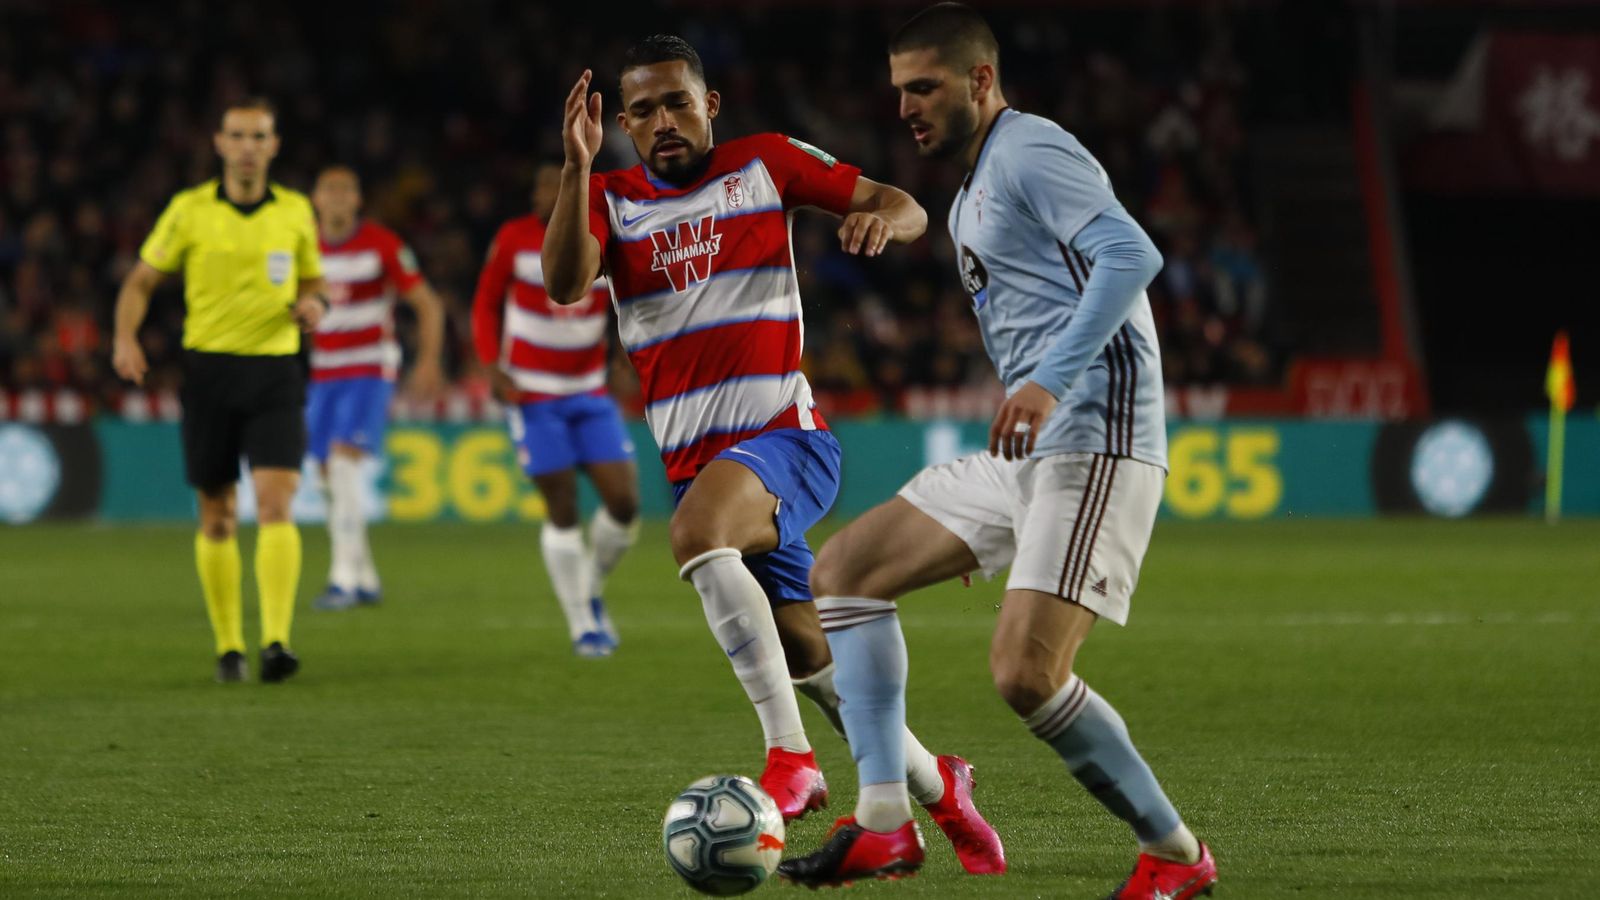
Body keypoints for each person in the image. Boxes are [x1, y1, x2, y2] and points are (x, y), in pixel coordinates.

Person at [778, 6, 1219, 897]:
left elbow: (1131, 255)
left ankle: (1176, 856)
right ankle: (884, 823)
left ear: (981, 81)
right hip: (1029, 459)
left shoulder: (1030, 149)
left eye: (925, 87)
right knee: (844, 574)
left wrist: (1050, 380)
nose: (906, 105)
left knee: (1026, 672)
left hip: (1098, 440)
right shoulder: (971, 189)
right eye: (899, 88)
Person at [541, 35, 1005, 873]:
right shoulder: (609, 199)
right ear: (622, 127)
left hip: (787, 442)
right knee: (817, 666)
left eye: (677, 101)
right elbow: (567, 283)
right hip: (704, 467)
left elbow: (905, 202)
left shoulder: (765, 164)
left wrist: (881, 219)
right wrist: (577, 168)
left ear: (710, 105)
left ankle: (789, 760)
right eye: (641, 112)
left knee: (694, 535)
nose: (663, 122)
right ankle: (943, 784)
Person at [112, 97, 326, 684]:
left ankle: (277, 642)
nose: (248, 146)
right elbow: (140, 280)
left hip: (275, 372)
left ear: (274, 145)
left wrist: (316, 303)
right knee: (217, 516)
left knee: (277, 503)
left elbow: (315, 280)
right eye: (238, 135)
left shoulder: (296, 212)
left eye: (259, 136)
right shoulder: (189, 210)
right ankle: (229, 646)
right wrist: (124, 336)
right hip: (208, 373)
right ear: (220, 143)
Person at [472, 163, 640, 657]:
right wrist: (490, 367)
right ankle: (582, 623)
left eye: (564, 185)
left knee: (625, 504)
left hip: (589, 393)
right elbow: (484, 305)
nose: (553, 194)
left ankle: (587, 587)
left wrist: (622, 356)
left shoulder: (602, 236)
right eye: (546, 185)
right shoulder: (513, 239)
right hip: (533, 394)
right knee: (562, 504)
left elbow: (627, 299)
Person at [307, 165, 446, 611]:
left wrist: (427, 361)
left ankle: (342, 579)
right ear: (315, 199)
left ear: (358, 200)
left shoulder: (382, 245)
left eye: (345, 190)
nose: (337, 198)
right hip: (323, 372)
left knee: (344, 463)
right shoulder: (301, 247)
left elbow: (427, 304)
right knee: (327, 475)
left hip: (369, 367)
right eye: (329, 190)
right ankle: (364, 575)